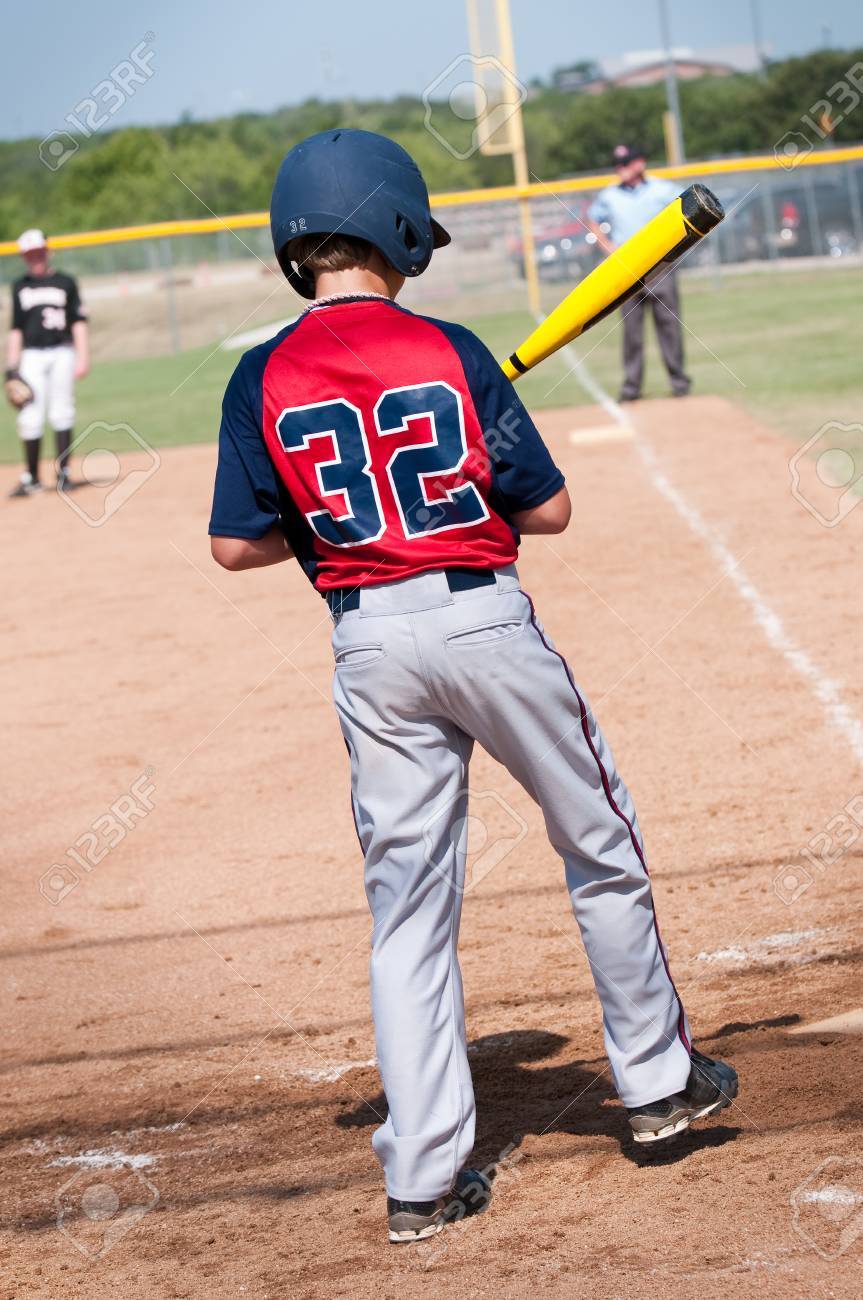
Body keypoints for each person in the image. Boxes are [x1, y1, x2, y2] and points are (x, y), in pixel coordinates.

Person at [208, 129, 737, 1245]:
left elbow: (235, 546)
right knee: (597, 840)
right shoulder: (452, 349)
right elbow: (546, 512)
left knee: (405, 908)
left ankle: (423, 1179)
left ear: (291, 242)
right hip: (482, 618)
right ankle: (653, 1084)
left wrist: (339, 525)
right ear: (398, 229)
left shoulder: (258, 372)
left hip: (368, 648)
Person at [588, 145, 690, 402]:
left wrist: (675, 245)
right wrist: (607, 247)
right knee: (632, 332)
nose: (620, 168)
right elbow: (592, 218)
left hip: (660, 266)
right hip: (627, 270)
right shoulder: (609, 195)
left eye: (626, 163)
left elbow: (687, 209)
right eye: (618, 164)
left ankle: (679, 381)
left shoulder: (662, 189)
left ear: (640, 163)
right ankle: (632, 387)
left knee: (669, 326)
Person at [5, 229, 89, 497]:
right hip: (31, 355)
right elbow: (16, 328)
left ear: (47, 251)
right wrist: (11, 367)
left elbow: (78, 322)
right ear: (23, 257)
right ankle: (31, 477)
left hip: (62, 351)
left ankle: (63, 473)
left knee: (62, 410)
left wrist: (83, 356)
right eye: (30, 255)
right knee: (29, 413)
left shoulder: (66, 282)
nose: (35, 259)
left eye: (39, 253)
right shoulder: (19, 286)